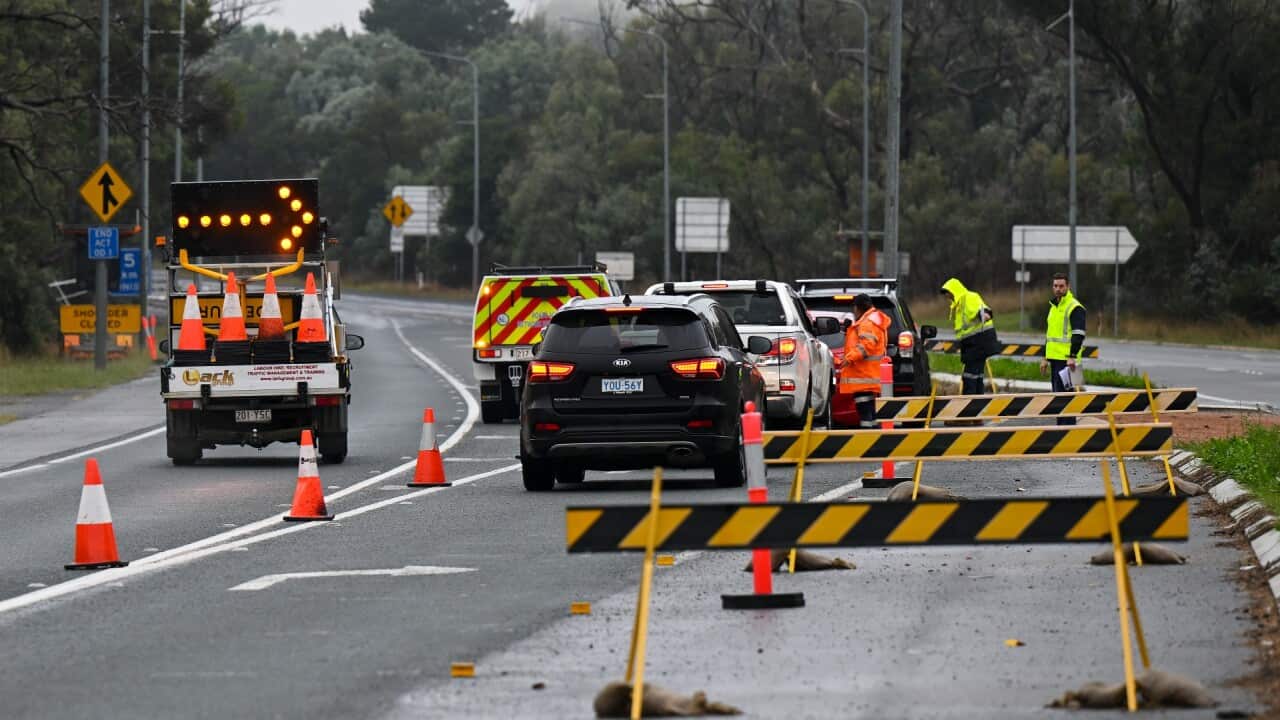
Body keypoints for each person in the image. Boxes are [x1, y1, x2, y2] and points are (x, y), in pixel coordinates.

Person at [1039, 272, 1086, 426]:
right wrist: (1044, 358)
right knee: (1058, 398)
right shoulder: (1053, 307)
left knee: (1067, 399)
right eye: (1055, 286)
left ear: (1068, 287)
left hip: (1068, 362)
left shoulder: (1075, 307)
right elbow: (1049, 334)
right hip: (1055, 359)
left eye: (1061, 286)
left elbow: (1078, 334)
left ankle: (1068, 431)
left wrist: (1072, 356)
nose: (1058, 289)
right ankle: (1062, 429)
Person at [940, 278, 1000, 395]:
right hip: (973, 343)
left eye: (949, 295)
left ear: (954, 291)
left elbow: (981, 309)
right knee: (976, 376)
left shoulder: (969, 297)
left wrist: (984, 314)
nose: (948, 298)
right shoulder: (959, 304)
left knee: (970, 377)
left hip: (979, 341)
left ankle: (969, 403)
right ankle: (976, 402)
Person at [837, 294, 890, 428]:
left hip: (863, 375)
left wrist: (849, 358)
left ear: (857, 308)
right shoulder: (873, 320)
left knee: (865, 411)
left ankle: (866, 440)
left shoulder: (867, 323)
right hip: (868, 375)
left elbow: (866, 345)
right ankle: (872, 438)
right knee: (870, 412)